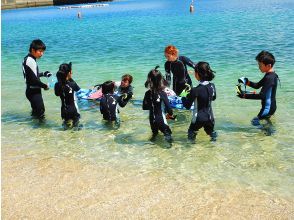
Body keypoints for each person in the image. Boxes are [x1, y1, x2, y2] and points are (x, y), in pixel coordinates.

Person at [237, 50, 279, 126]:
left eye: (260, 65)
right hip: (271, 107)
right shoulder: (271, 75)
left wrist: (244, 96)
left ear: (268, 66)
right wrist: (246, 82)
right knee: (266, 121)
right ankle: (270, 134)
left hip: (267, 108)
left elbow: (261, 95)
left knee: (254, 122)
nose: (259, 67)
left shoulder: (269, 78)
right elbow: (257, 85)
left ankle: (268, 134)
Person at [181, 62, 217, 142]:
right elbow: (213, 98)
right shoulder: (212, 86)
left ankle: (191, 147)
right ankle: (214, 144)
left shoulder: (195, 90)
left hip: (198, 118)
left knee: (191, 131)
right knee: (211, 132)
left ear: (197, 74)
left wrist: (183, 97)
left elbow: (187, 106)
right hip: (210, 117)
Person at [143, 66, 176, 143]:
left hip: (152, 119)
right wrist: (170, 115)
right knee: (168, 134)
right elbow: (169, 109)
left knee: (155, 134)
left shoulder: (147, 93)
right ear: (161, 80)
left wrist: (154, 104)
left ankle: (152, 147)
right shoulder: (162, 93)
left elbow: (145, 107)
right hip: (161, 119)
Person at [22, 39, 51, 119]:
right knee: (41, 112)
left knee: (36, 113)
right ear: (33, 50)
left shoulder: (27, 58)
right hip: (34, 91)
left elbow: (31, 75)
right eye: (40, 51)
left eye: (43, 51)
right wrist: (45, 86)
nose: (42, 54)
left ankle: (34, 129)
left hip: (30, 90)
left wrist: (43, 74)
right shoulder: (30, 61)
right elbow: (34, 80)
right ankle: (41, 130)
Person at [54, 62, 81, 129]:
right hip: (73, 110)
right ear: (69, 73)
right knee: (76, 125)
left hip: (64, 111)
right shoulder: (72, 84)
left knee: (66, 125)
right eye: (71, 72)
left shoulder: (57, 85)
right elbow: (78, 89)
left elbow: (57, 94)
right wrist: (70, 78)